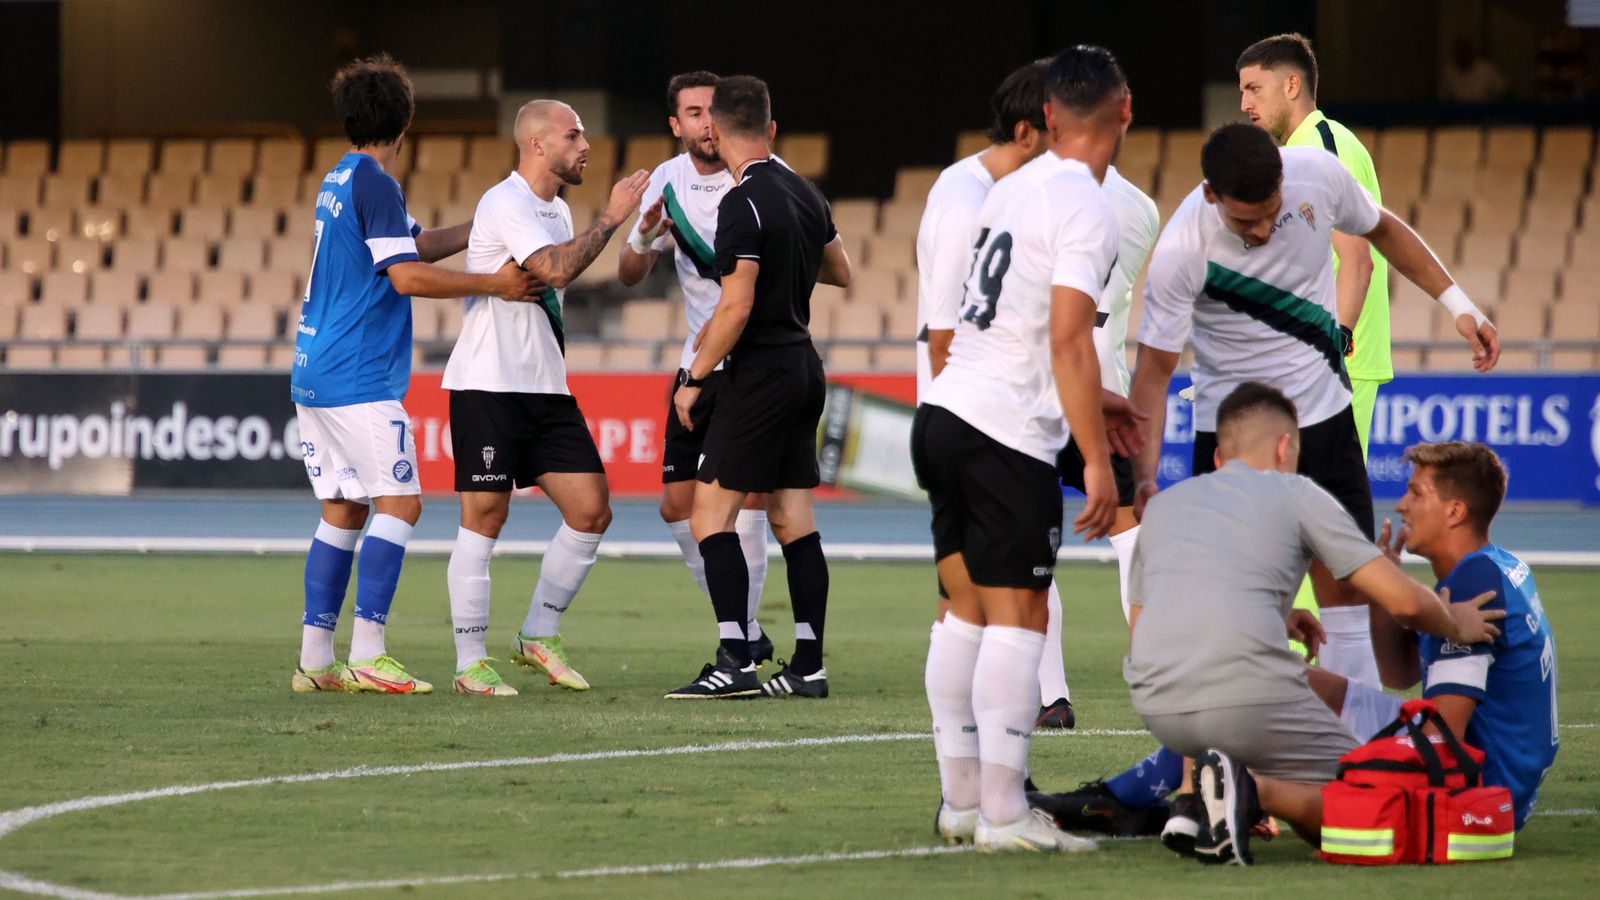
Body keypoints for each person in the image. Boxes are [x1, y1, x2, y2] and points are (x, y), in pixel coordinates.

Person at [1126, 122, 1501, 700]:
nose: (1259, 231)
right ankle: (1227, 761)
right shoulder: (1182, 250)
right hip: (1235, 437)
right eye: (1242, 221)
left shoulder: (1317, 176)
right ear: (1210, 196)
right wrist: (1143, 476)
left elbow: (1381, 228)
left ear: (1283, 175)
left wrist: (1458, 304)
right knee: (1227, 602)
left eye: (1269, 214)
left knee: (1349, 589)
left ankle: (1347, 759)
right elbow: (1152, 375)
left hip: (1323, 416)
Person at [1121, 383, 1504, 866]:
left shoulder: (1164, 506)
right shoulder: (1295, 490)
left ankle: (1196, 799)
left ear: (1219, 456)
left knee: (1234, 710)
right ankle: (1247, 791)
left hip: (1158, 707)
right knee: (1378, 796)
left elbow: (1146, 621)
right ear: (1285, 448)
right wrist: (1457, 622)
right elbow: (1404, 603)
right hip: (1243, 700)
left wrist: (1275, 618)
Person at [911, 44, 1126, 854]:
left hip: (946, 412)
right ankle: (1004, 813)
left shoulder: (1004, 186)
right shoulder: (1083, 200)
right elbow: (1069, 337)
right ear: (1123, 112)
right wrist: (1096, 457)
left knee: (965, 610)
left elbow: (1009, 323)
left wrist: (1085, 398)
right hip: (1004, 431)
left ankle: (962, 803)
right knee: (1019, 615)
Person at [291, 55, 540, 695]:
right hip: (358, 373)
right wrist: (495, 284)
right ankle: (369, 652)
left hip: (314, 369)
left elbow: (415, 245)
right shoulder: (376, 181)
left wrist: (483, 227)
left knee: (342, 510)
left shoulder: (341, 177)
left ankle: (316, 661)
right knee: (401, 503)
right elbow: (404, 276)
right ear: (405, 124)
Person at [441, 99, 649, 696]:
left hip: (544, 387)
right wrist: (610, 220)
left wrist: (599, 224)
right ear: (537, 144)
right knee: (486, 516)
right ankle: (469, 661)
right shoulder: (504, 202)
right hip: (489, 384)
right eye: (573, 134)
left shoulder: (556, 209)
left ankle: (538, 633)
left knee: (591, 510)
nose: (585, 145)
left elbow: (559, 270)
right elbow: (556, 271)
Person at [664, 75, 851, 700]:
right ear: (771, 129)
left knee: (707, 517)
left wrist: (691, 380)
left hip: (761, 373)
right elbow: (842, 271)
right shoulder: (805, 192)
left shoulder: (739, 205)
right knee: (793, 516)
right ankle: (809, 665)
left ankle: (735, 660)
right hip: (805, 365)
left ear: (714, 131)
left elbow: (734, 307)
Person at [1237, 32, 1390, 683]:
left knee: (1321, 535)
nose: (1244, 102)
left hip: (1335, 369)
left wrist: (1335, 345)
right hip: (1322, 366)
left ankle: (1336, 704)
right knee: (1305, 528)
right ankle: (1317, 694)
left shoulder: (1319, 147)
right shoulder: (1302, 149)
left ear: (1291, 86)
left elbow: (1354, 258)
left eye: (1254, 88)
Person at [1308, 442, 1559, 832]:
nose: (1402, 505)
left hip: (1477, 792)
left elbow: (1442, 739)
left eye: (1416, 493)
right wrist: (1382, 594)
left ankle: (1261, 794)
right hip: (1500, 777)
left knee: (1317, 748)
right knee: (1301, 684)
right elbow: (1399, 673)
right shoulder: (1493, 565)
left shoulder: (1472, 582)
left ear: (1455, 511)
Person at [617, 71, 777, 679]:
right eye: (692, 113)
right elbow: (631, 272)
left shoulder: (757, 172)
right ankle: (749, 628)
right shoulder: (667, 180)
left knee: (748, 502)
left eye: (712, 111)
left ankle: (738, 638)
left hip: (752, 362)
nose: (705, 123)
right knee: (676, 506)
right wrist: (641, 231)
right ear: (675, 125)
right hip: (697, 362)